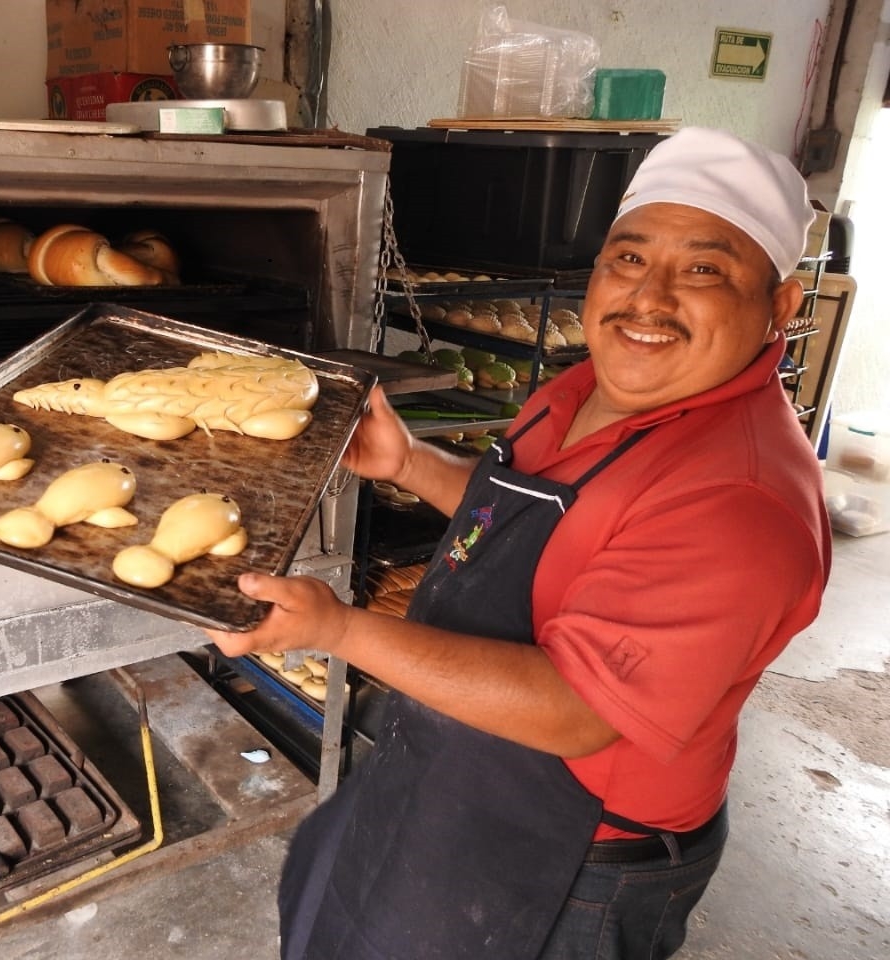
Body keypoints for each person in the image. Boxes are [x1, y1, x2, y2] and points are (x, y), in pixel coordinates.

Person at [204, 127, 833, 960]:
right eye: (630, 259)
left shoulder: (739, 504)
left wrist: (338, 629)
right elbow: (537, 514)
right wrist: (412, 463)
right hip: (461, 772)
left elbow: (577, 711)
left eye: (705, 270)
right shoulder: (593, 387)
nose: (648, 299)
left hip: (571, 854)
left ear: (780, 307)